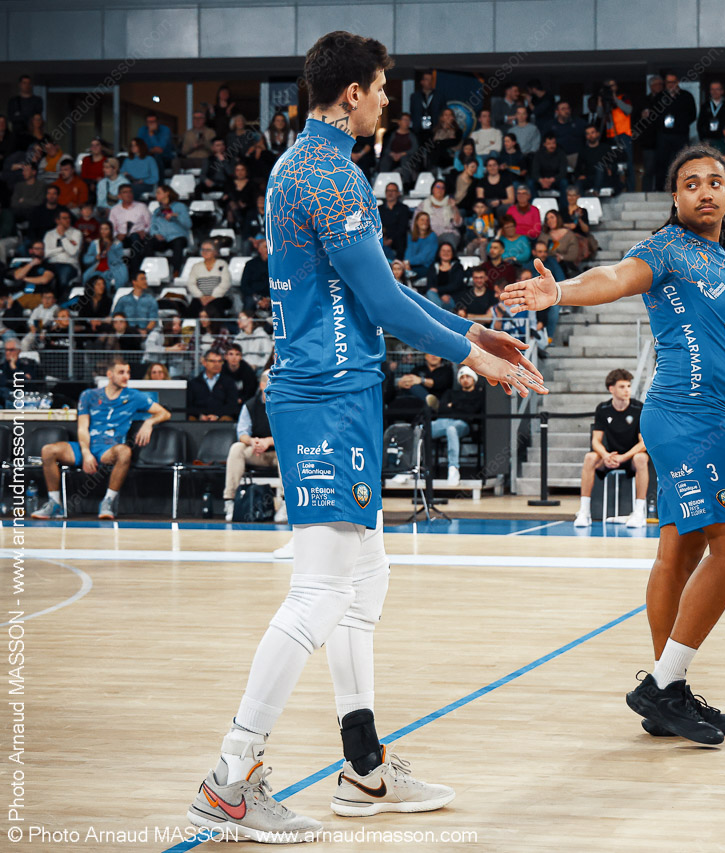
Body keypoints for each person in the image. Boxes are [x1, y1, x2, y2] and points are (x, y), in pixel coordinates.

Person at [185, 31, 543, 842]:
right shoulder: (332, 174)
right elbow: (383, 305)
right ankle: (229, 778)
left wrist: (472, 332)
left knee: (365, 581)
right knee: (319, 592)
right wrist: (475, 357)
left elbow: (377, 289)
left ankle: (363, 766)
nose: (387, 100)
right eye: (381, 87)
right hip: (326, 397)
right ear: (351, 94)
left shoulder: (299, 165)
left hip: (335, 391)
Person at [503, 143, 725, 746]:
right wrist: (560, 293)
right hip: (688, 420)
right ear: (675, 197)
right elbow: (615, 277)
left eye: (715, 181)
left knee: (679, 554)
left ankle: (667, 693)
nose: (705, 191)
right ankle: (663, 685)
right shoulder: (666, 248)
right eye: (691, 183)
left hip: (710, 415)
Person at [32, 358, 170, 520]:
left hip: (108, 449)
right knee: (48, 450)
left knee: (125, 451)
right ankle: (54, 504)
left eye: (128, 372)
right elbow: (82, 428)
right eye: (121, 372)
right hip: (85, 446)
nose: (126, 376)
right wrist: (86, 453)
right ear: (110, 374)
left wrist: (149, 422)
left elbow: (164, 413)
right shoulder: (89, 395)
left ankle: (108, 502)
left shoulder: (134, 396)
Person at [575, 368, 649, 529]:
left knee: (641, 458)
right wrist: (606, 455)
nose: (627, 390)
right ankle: (584, 512)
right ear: (611, 389)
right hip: (609, 457)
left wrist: (624, 457)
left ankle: (639, 512)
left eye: (628, 386)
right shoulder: (603, 409)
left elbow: (643, 443)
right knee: (590, 457)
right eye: (622, 387)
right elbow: (596, 441)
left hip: (630, 458)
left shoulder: (639, 408)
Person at [224, 373, 287, 522]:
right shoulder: (250, 405)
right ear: (262, 385)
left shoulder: (285, 404)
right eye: (272, 382)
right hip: (257, 452)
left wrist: (268, 441)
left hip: (277, 453)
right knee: (237, 448)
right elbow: (242, 433)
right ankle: (230, 501)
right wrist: (253, 441)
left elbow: (289, 435)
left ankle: (285, 503)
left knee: (287, 452)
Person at [432, 365, 486, 486]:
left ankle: (453, 468)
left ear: (474, 379)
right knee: (420, 429)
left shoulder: (479, 395)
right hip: (443, 421)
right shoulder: (450, 392)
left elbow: (472, 412)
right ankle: (409, 468)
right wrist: (461, 408)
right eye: (462, 377)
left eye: (468, 376)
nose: (465, 379)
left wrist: (453, 405)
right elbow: (441, 409)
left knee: (451, 429)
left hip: (462, 424)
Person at [187, 349, 239, 421]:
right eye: (213, 361)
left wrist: (217, 416)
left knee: (227, 419)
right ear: (204, 363)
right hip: (199, 419)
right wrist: (200, 415)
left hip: (221, 419)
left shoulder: (229, 382)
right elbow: (189, 405)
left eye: (219, 361)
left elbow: (232, 405)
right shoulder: (193, 383)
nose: (217, 364)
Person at [186, 240, 232, 318]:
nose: (205, 252)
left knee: (215, 308)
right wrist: (201, 296)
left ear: (215, 252)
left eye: (208, 250)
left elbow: (226, 282)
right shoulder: (196, 266)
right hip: (200, 298)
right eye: (203, 250)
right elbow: (191, 284)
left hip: (218, 297)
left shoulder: (222, 264)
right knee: (192, 309)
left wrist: (212, 297)